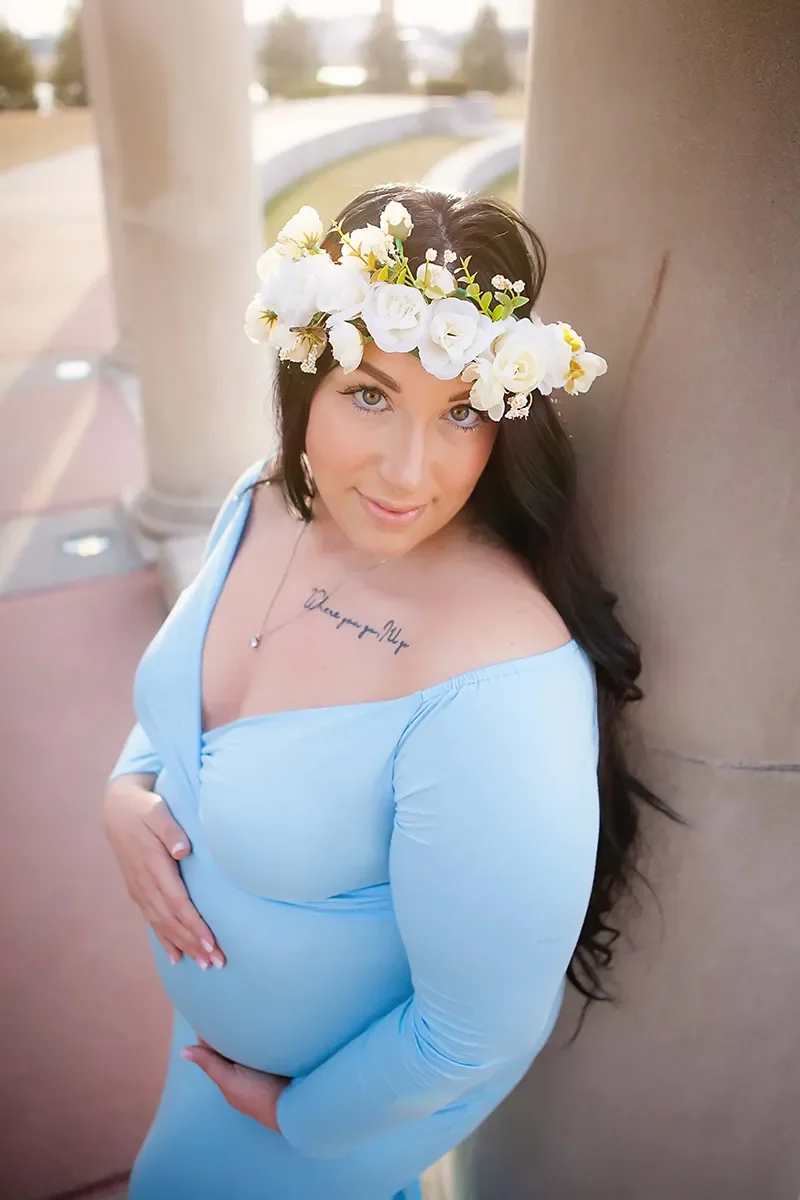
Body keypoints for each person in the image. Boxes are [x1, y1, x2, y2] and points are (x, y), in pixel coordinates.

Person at [103, 184, 678, 1200]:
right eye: (369, 396)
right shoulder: (267, 498)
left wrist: (296, 1120)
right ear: (305, 380)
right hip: (208, 1045)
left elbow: (479, 1030)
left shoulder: (500, 683)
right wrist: (126, 791)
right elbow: (182, 693)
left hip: (307, 1122)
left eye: (460, 412)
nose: (408, 473)